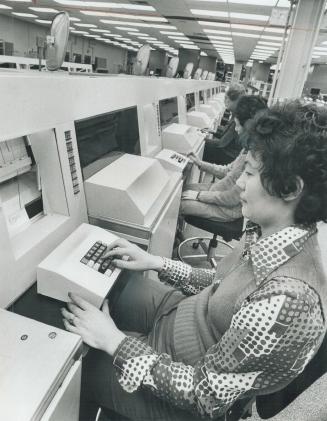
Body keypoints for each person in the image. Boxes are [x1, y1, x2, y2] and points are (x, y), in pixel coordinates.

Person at [62, 101, 327, 421]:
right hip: (179, 317)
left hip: (181, 387)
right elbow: (222, 285)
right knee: (116, 285)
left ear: (291, 189)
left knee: (72, 363)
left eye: (251, 173)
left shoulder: (290, 298)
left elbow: (204, 394)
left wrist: (115, 342)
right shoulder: (272, 231)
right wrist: (156, 263)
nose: (240, 182)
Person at [180, 95, 267, 222]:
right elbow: (227, 171)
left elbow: (231, 198)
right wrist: (200, 163)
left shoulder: (254, 159)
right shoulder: (247, 149)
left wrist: (200, 196)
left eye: (237, 125)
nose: (236, 130)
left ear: (249, 127)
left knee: (179, 204)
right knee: (182, 190)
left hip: (225, 208)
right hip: (218, 192)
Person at [202, 83, 245, 166]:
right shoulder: (238, 112)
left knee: (196, 147)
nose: (224, 101)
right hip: (231, 152)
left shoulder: (239, 116)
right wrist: (213, 130)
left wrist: (201, 140)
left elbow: (221, 144)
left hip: (230, 156)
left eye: (226, 98)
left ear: (233, 100)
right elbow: (226, 132)